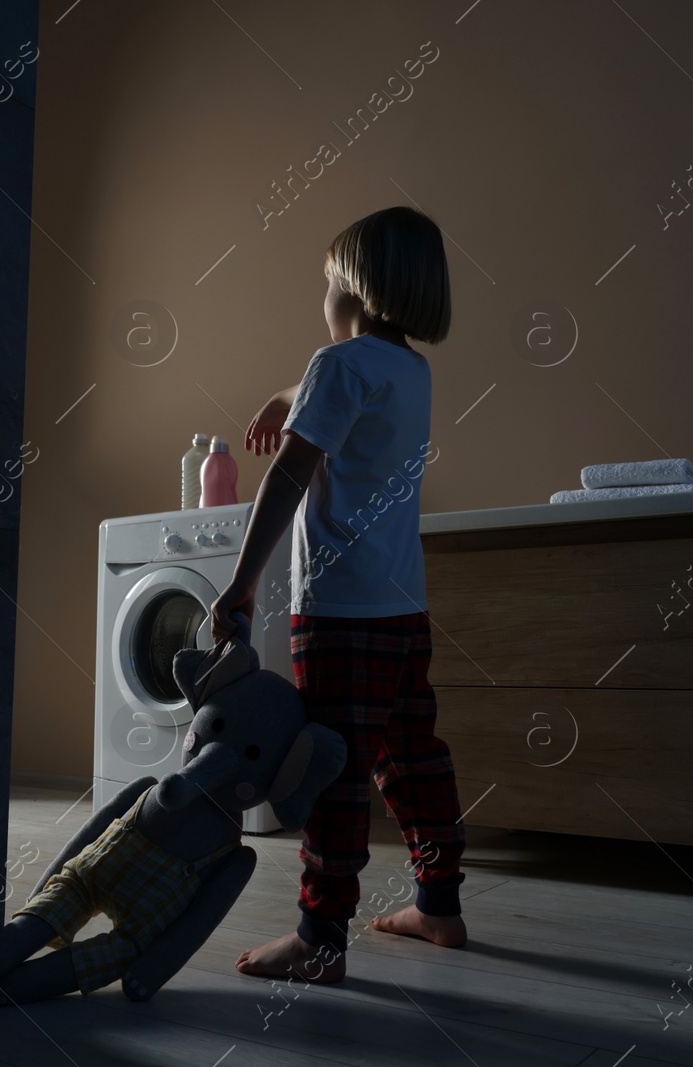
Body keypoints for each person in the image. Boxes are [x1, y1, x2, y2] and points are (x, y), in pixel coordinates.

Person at [206, 205, 466, 985]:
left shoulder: (338, 368)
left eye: (326, 280)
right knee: (413, 757)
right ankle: (439, 902)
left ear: (352, 285)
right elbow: (339, 374)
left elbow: (287, 478)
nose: (321, 295)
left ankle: (320, 935)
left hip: (339, 613)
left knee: (333, 770)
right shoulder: (409, 371)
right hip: (404, 610)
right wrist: (291, 392)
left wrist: (242, 583)